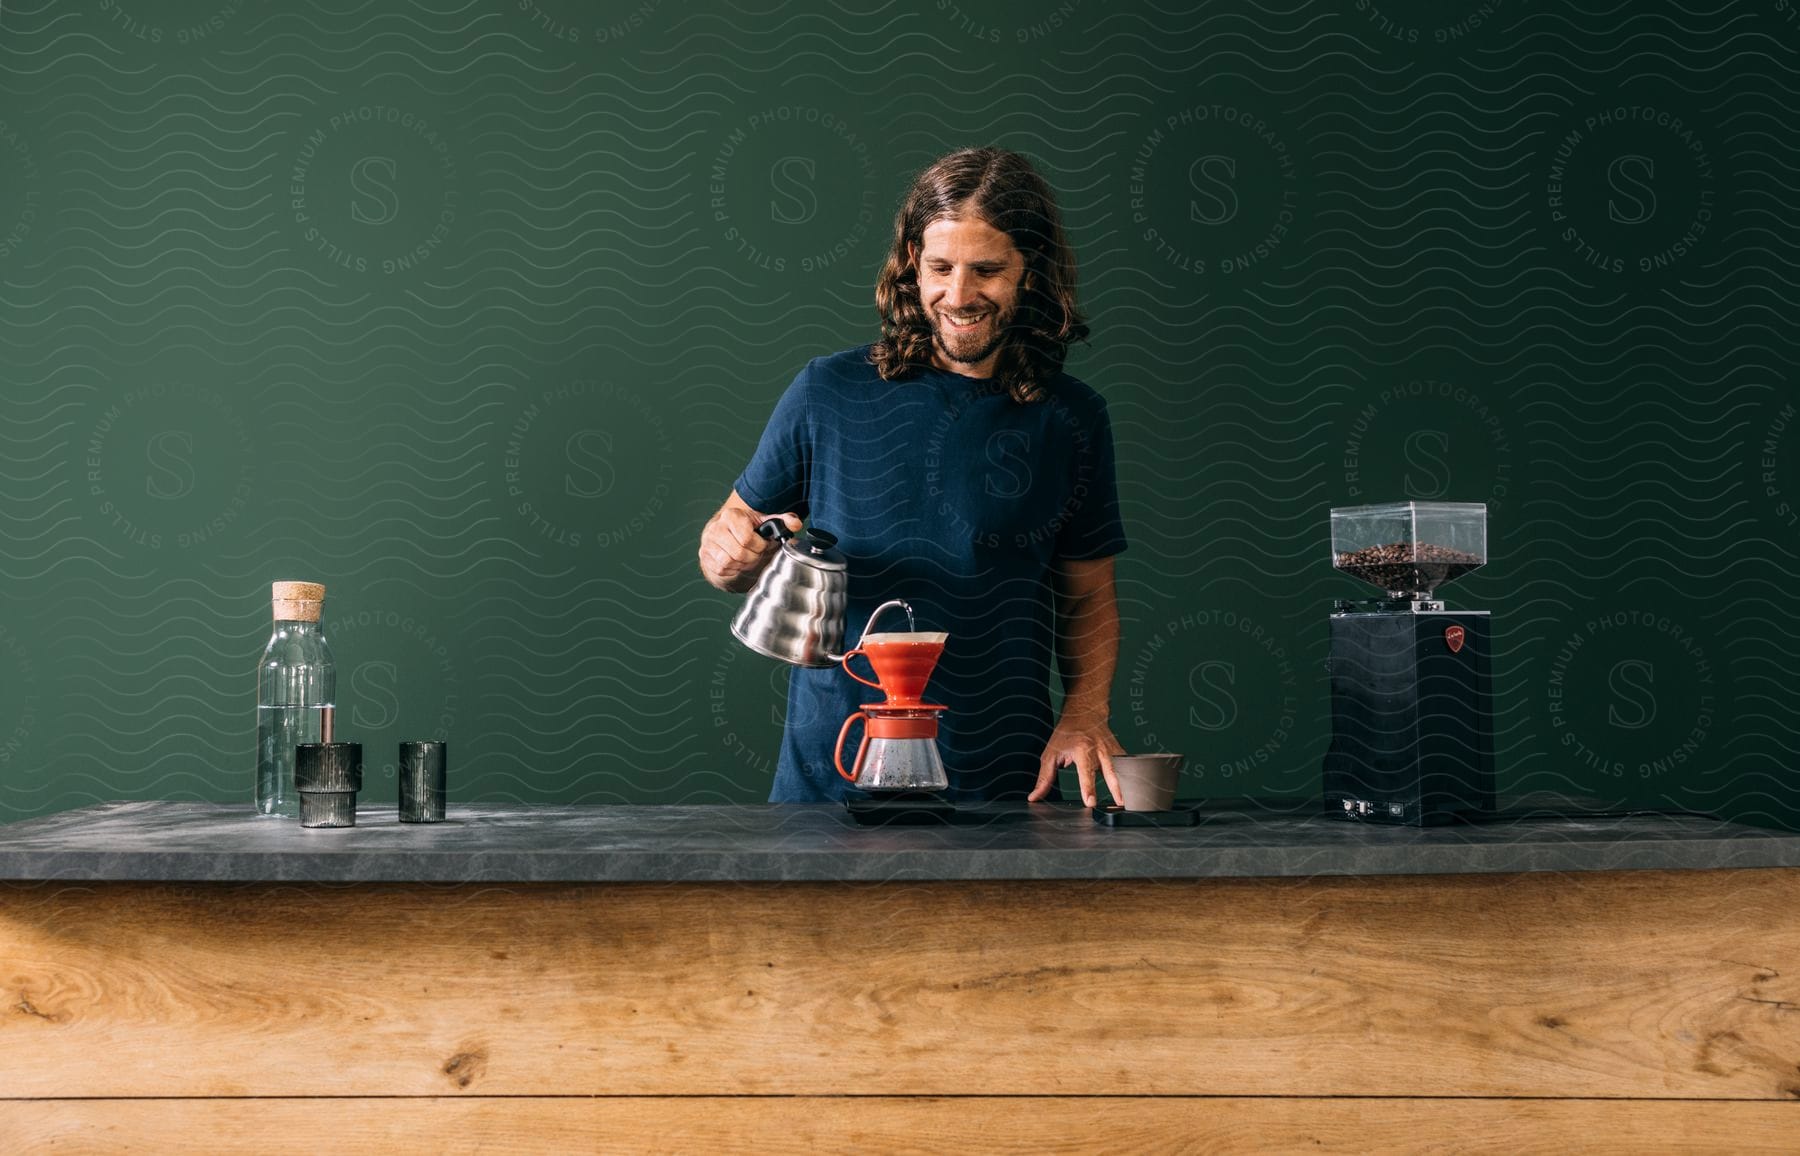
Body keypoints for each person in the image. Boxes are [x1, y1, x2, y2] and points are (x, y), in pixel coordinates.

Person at [697, 147, 1127, 807]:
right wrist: (730, 554)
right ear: (910, 263)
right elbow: (731, 533)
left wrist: (1085, 713)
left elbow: (1088, 597)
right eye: (940, 267)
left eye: (987, 270)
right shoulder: (828, 390)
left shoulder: (1071, 419)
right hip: (825, 791)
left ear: (1031, 273)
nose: (958, 296)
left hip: (1004, 791)